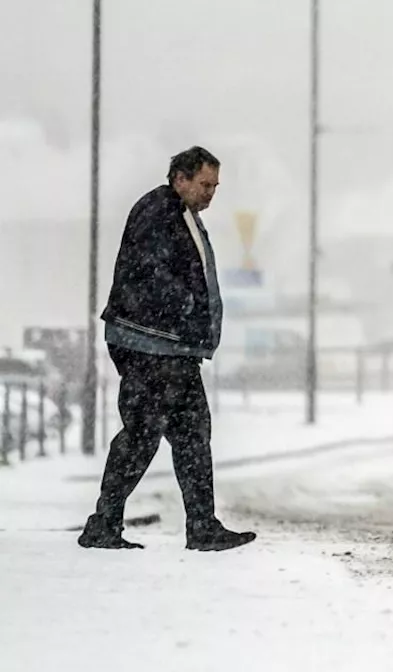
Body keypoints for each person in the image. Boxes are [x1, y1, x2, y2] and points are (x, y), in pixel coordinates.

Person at [78, 146, 256, 552]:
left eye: (215, 186)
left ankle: (201, 526)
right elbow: (149, 270)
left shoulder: (179, 214)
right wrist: (186, 306)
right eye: (204, 184)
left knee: (192, 435)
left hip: (170, 348)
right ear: (180, 179)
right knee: (143, 434)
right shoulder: (159, 212)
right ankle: (104, 523)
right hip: (150, 346)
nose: (211, 193)